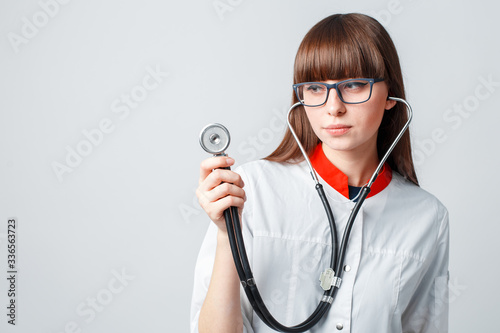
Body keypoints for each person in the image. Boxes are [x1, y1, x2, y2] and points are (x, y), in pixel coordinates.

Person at [191, 13, 449, 333]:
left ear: (390, 95)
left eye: (353, 85)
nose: (333, 107)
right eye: (315, 88)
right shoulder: (249, 190)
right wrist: (226, 233)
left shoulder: (427, 217)